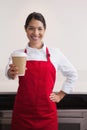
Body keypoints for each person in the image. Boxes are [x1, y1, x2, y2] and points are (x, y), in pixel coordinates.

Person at [5, 12, 78, 130]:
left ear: (45, 30)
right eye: (31, 28)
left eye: (40, 29)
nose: (35, 33)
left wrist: (60, 94)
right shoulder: (18, 54)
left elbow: (73, 74)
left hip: (47, 114)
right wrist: (11, 72)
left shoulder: (55, 53)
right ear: (25, 29)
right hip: (23, 113)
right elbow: (9, 74)